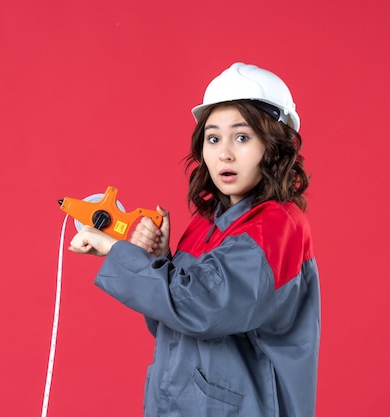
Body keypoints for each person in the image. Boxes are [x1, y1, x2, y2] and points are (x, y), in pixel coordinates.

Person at [69, 62, 320, 417]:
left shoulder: (278, 226)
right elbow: (170, 319)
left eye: (242, 137)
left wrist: (118, 251)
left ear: (275, 146)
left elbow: (203, 308)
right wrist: (160, 259)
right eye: (213, 138)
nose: (225, 153)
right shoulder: (206, 224)